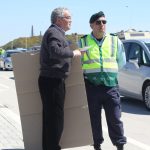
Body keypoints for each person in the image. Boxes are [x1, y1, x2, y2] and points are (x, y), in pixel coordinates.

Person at [79, 11, 127, 150]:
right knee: (94, 119)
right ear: (91, 25)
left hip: (110, 86)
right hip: (91, 86)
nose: (102, 25)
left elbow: (121, 62)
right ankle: (97, 145)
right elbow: (78, 63)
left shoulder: (114, 40)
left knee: (115, 119)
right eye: (98, 22)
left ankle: (120, 145)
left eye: (104, 22)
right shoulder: (83, 41)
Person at [38, 7, 81, 150]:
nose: (71, 20)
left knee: (51, 119)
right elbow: (55, 51)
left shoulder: (56, 32)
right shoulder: (54, 32)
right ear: (59, 20)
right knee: (55, 119)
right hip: (52, 81)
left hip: (51, 80)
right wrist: (73, 53)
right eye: (68, 17)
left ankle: (49, 147)